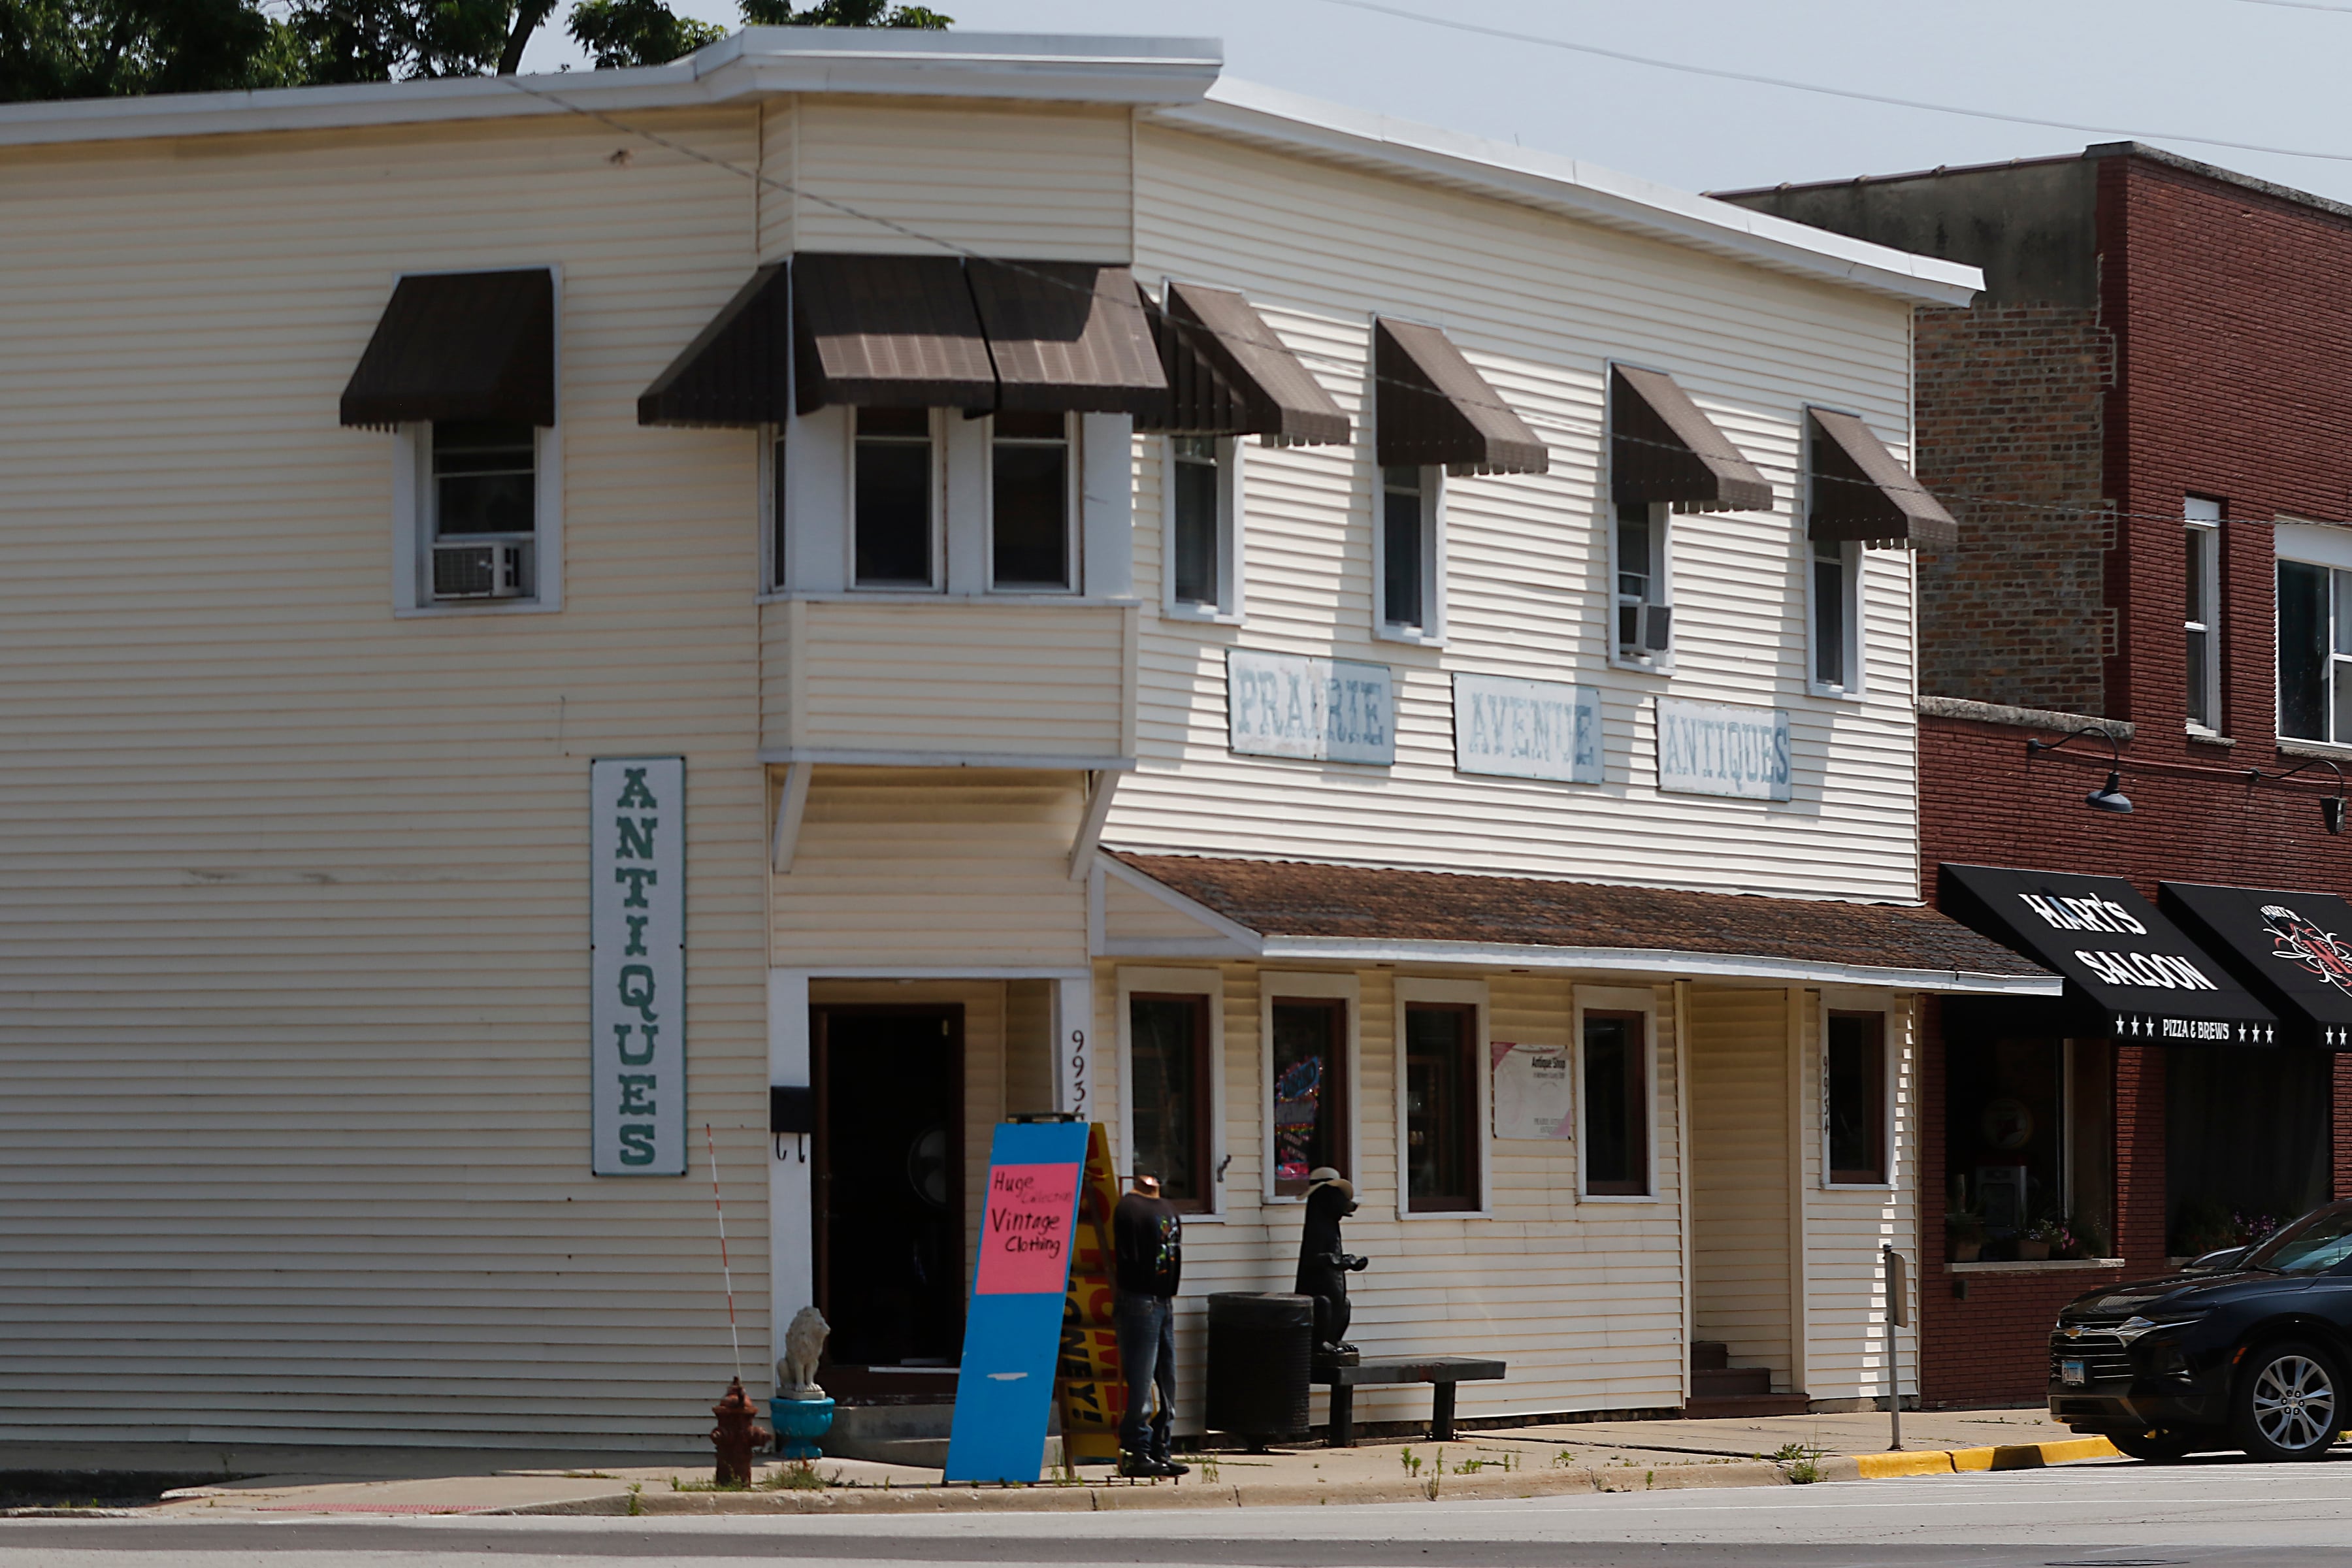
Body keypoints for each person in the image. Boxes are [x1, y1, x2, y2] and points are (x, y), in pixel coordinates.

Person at [1112, 1171, 1188, 1478]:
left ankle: (1161, 1448)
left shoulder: (1168, 1208)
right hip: (1139, 1300)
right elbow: (1127, 1257)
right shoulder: (1129, 1208)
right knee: (1142, 1381)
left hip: (1164, 1300)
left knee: (1167, 1379)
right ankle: (1137, 1451)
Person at [1294, 1167, 1369, 1362]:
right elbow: (1315, 1258)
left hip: (1334, 1293)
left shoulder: (1330, 1225)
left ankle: (1334, 1338)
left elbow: (1332, 1255)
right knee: (1323, 1305)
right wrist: (1339, 1261)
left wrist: (1349, 1261)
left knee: (1343, 1304)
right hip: (1319, 1297)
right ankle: (1319, 1342)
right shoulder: (1317, 1227)